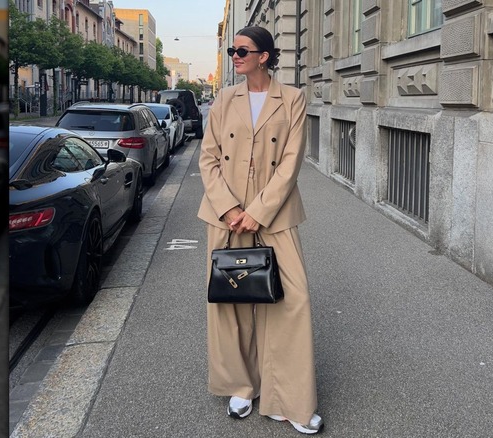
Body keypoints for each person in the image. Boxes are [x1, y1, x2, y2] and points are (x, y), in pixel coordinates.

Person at [197, 26, 323, 435]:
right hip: (227, 214)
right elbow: (208, 158)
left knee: (293, 299)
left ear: (264, 56)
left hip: (276, 212)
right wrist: (231, 207)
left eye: (243, 50)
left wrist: (259, 210)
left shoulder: (292, 99)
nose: (234, 55)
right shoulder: (223, 99)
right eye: (233, 49)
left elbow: (291, 160)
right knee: (230, 301)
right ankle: (240, 384)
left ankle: (287, 399)